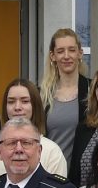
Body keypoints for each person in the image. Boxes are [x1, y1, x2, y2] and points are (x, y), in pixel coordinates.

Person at [39, 28, 91, 172]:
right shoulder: (42, 95)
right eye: (60, 51)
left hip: (84, 178)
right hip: (49, 174)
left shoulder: (93, 90)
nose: (66, 56)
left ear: (80, 53)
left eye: (72, 50)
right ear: (52, 56)